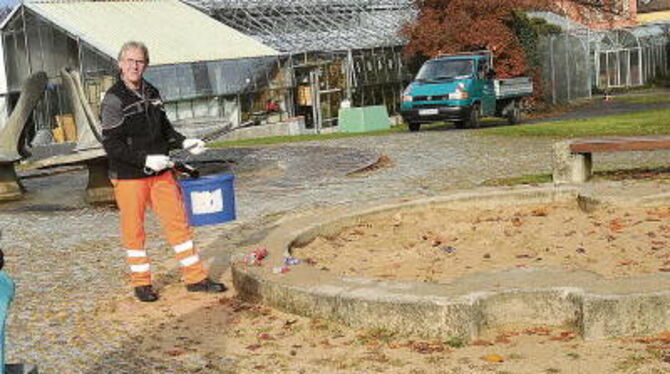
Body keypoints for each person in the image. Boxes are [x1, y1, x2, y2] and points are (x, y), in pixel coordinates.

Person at [100, 41, 226, 302]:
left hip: (162, 173)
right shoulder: (113, 99)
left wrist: (184, 142)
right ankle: (141, 283)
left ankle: (195, 278)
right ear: (120, 63)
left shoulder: (153, 92)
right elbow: (111, 145)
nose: (135, 66)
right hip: (128, 176)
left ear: (146, 64)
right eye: (130, 61)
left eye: (140, 61)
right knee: (134, 230)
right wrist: (145, 159)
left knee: (178, 224)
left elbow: (165, 129)